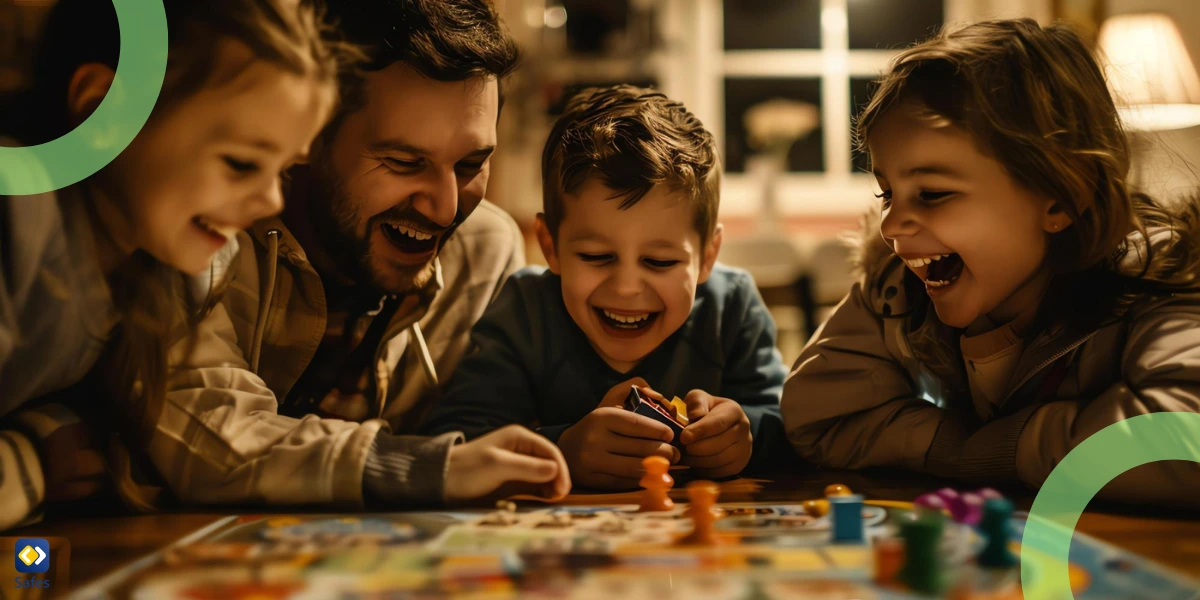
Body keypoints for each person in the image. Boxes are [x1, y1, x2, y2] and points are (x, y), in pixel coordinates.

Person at [151, 0, 570, 509]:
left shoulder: (484, 254)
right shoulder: (208, 232)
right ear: (311, 139)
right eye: (403, 161)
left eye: (470, 164)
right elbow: (202, 425)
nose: (444, 206)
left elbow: (509, 420)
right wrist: (422, 468)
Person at [781, 19, 1200, 506]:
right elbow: (821, 416)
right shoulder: (900, 286)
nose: (892, 226)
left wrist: (994, 451)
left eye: (933, 194)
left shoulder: (1159, 276)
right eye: (887, 193)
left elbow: (1183, 436)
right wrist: (965, 452)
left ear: (1061, 198)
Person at [0, 0, 343, 529]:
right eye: (241, 163)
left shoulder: (165, 273)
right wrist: (30, 464)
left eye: (282, 169)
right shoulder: (16, 220)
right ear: (102, 115)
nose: (273, 201)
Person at [422, 86, 789, 490]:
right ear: (550, 246)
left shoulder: (731, 306)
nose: (628, 288)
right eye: (597, 257)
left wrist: (747, 434)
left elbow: (796, 428)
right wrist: (562, 449)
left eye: (660, 262)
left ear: (707, 256)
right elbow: (455, 442)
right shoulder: (524, 311)